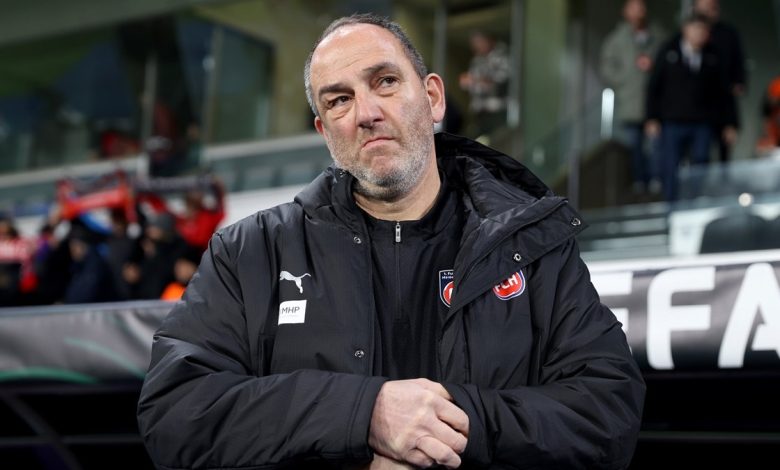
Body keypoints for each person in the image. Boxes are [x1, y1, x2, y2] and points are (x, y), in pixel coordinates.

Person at [138, 13, 644, 469]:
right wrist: (366, 414)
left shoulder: (530, 244)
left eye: (384, 81)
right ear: (324, 130)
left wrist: (448, 426)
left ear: (433, 97)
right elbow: (175, 412)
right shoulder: (249, 252)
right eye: (339, 100)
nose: (366, 112)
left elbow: (608, 409)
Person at [645, 13, 735, 201]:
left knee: (701, 162)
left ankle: (695, 202)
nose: (700, 33)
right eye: (696, 28)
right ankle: (671, 206)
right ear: (685, 29)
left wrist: (730, 122)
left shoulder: (713, 55)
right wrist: (652, 117)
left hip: (703, 121)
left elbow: (723, 93)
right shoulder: (668, 51)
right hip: (672, 120)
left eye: (704, 29)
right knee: (670, 165)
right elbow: (654, 87)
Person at [600, 0, 665, 194]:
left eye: (642, 7)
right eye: (634, 7)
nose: (639, 12)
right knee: (634, 145)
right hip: (630, 101)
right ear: (625, 11)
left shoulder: (658, 36)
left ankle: (656, 180)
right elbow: (607, 67)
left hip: (655, 102)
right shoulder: (617, 39)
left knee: (656, 145)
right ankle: (639, 181)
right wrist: (626, 79)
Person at [693, 0, 746, 163]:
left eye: (713, 6)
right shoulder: (687, 37)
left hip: (723, 100)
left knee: (725, 149)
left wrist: (739, 81)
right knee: (700, 154)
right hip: (697, 106)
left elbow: (738, 60)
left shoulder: (727, 33)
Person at [459, 31, 510, 140]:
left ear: (489, 39)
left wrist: (476, 81)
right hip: (479, 113)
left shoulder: (503, 55)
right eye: (474, 44)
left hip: (498, 113)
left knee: (497, 142)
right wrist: (468, 82)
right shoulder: (476, 60)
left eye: (478, 42)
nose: (476, 47)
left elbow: (502, 83)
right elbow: (473, 85)